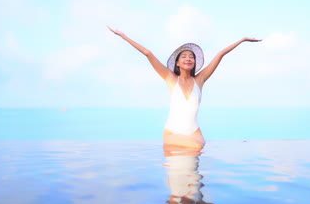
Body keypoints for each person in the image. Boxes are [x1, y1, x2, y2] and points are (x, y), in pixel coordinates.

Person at [107, 26, 261, 150]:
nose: (188, 58)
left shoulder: (199, 80)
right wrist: (122, 35)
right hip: (172, 133)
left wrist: (242, 40)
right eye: (184, 56)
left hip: (195, 133)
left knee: (195, 182)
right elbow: (148, 53)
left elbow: (220, 54)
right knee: (179, 179)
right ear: (178, 63)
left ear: (194, 62)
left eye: (191, 57)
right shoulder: (171, 79)